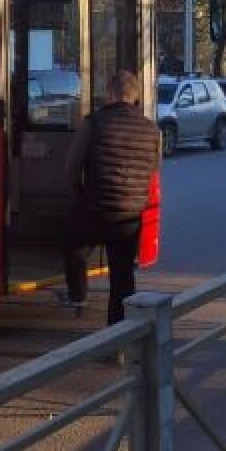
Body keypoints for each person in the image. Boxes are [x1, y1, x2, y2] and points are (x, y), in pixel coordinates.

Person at [63, 71, 161, 325]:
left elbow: (71, 167)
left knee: (74, 247)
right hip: (129, 218)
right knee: (122, 277)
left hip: (96, 211)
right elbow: (152, 169)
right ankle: (118, 340)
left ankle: (78, 296)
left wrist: (79, 199)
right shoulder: (152, 130)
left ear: (110, 94)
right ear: (135, 97)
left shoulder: (94, 123)